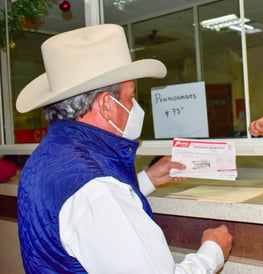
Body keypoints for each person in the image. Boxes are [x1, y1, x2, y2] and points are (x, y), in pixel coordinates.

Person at [16, 24, 232, 273]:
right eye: (129, 97)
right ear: (107, 104)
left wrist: (146, 180)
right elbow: (98, 200)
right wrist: (213, 251)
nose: (135, 106)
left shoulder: (46, 155)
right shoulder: (98, 192)